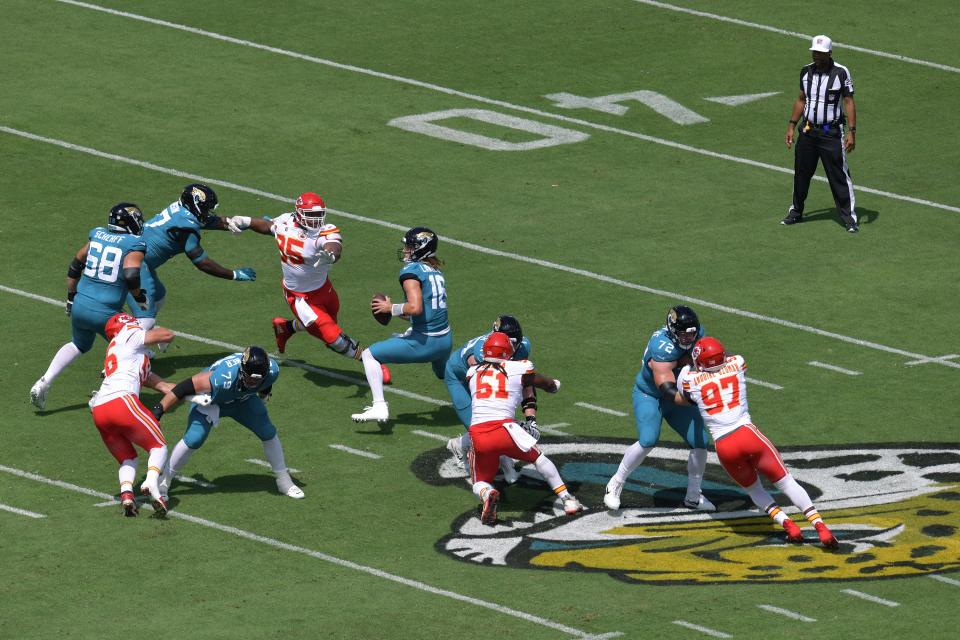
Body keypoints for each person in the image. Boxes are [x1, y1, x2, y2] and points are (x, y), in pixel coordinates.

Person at [674, 337, 838, 547]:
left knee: (754, 489)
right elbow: (726, 362)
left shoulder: (689, 379)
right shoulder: (738, 363)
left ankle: (787, 524)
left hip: (725, 445)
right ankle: (820, 527)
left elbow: (684, 384)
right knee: (786, 482)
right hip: (748, 434)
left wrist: (688, 363)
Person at [230, 192, 390, 382]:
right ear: (298, 213)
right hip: (299, 297)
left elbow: (334, 245)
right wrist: (245, 220)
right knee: (333, 337)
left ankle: (286, 327)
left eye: (318, 215)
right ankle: (372, 362)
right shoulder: (285, 221)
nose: (315, 220)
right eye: (311, 215)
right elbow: (267, 226)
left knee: (328, 325)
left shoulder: (325, 229)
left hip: (324, 290)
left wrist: (330, 255)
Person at [30, 203, 151, 409]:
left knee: (78, 344)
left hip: (80, 304)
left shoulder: (98, 235)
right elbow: (131, 275)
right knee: (134, 347)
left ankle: (44, 382)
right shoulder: (134, 243)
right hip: (107, 311)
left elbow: (75, 265)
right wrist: (139, 297)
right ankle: (102, 395)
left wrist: (70, 298)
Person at [150, 346, 304, 500]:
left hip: (243, 399)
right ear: (241, 370)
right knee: (194, 438)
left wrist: (263, 394)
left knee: (267, 431)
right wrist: (158, 411)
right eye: (250, 378)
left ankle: (284, 481)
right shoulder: (223, 377)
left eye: (257, 380)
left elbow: (266, 383)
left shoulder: (272, 371)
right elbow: (182, 388)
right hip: (212, 401)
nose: (252, 382)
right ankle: (165, 479)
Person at [603, 305, 715, 512]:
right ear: (672, 330)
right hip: (652, 395)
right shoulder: (661, 346)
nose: (689, 338)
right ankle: (616, 482)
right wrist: (699, 398)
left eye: (692, 332)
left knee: (700, 442)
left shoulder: (698, 335)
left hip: (678, 395)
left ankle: (693, 495)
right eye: (683, 333)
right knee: (648, 440)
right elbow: (668, 390)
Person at [465, 332, 578, 525]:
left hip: (479, 434)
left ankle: (488, 493)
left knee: (479, 481)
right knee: (538, 458)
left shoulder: (472, 372)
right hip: (505, 429)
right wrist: (553, 386)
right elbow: (540, 382)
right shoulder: (519, 367)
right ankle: (567, 499)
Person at [351, 227, 453, 423]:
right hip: (444, 340)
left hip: (426, 342)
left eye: (410, 246)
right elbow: (425, 313)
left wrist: (391, 307)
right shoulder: (435, 271)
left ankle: (379, 406)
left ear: (421, 248)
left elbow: (415, 308)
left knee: (369, 354)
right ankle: (484, 399)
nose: (406, 250)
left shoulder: (411, 271)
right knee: (448, 375)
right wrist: (395, 310)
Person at [126, 183, 257, 333]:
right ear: (196, 206)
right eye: (206, 208)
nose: (208, 213)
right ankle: (133, 347)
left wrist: (244, 223)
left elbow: (206, 221)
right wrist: (233, 274)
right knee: (145, 319)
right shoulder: (185, 226)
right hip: (134, 266)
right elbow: (202, 262)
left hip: (141, 263)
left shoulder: (181, 210)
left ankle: (142, 334)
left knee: (158, 298)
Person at [89, 313, 176, 517]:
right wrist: (164, 340)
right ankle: (151, 483)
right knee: (159, 446)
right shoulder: (128, 334)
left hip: (100, 410)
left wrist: (191, 391)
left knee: (128, 458)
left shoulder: (120, 350)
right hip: (122, 402)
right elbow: (167, 334)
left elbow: (163, 385)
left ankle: (127, 494)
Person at [782, 34, 859, 232]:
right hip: (807, 131)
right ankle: (796, 212)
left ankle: (849, 218)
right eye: (815, 52)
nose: (816, 56)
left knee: (839, 176)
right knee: (801, 173)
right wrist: (791, 124)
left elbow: (849, 101)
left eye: (821, 53)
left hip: (830, 133)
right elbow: (801, 99)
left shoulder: (841, 73)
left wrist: (852, 131)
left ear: (829, 53)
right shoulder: (806, 72)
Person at [444, 315, 533, 483]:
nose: (512, 347)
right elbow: (482, 381)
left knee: (499, 419)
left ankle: (459, 444)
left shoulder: (523, 347)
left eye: (515, 343)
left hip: (487, 378)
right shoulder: (481, 351)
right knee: (481, 426)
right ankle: (505, 466)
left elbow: (523, 380)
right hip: (462, 378)